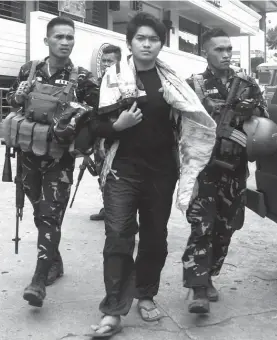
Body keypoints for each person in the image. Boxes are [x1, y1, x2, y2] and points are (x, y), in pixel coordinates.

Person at [88, 12, 216, 337]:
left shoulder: (173, 82)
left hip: (161, 171)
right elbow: (95, 125)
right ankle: (114, 309)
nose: (147, 43)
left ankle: (145, 294)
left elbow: (190, 125)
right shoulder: (112, 78)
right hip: (122, 170)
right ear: (129, 42)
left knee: (154, 239)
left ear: (161, 43)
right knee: (118, 236)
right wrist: (118, 126)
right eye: (141, 38)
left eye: (153, 39)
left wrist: (192, 165)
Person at [6, 16, 98, 308]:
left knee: (49, 215)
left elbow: (98, 114)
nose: (65, 42)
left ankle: (38, 279)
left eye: (70, 37)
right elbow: (12, 101)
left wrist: (80, 113)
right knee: (39, 212)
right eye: (59, 37)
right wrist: (16, 96)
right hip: (28, 155)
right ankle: (54, 263)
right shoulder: (28, 70)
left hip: (60, 159)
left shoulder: (82, 78)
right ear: (47, 41)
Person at [182, 28, 268, 314]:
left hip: (235, 170)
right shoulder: (193, 85)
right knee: (202, 226)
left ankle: (209, 275)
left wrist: (249, 126)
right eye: (219, 49)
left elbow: (264, 121)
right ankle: (198, 287)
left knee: (226, 228)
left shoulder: (247, 84)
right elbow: (179, 126)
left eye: (229, 49)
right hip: (205, 169)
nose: (226, 54)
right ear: (205, 51)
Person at [90, 44, 122, 221]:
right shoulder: (99, 82)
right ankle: (107, 206)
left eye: (110, 61)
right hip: (98, 135)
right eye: (103, 60)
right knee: (100, 171)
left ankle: (116, 211)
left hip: (113, 137)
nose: (105, 64)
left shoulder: (121, 82)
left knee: (113, 174)